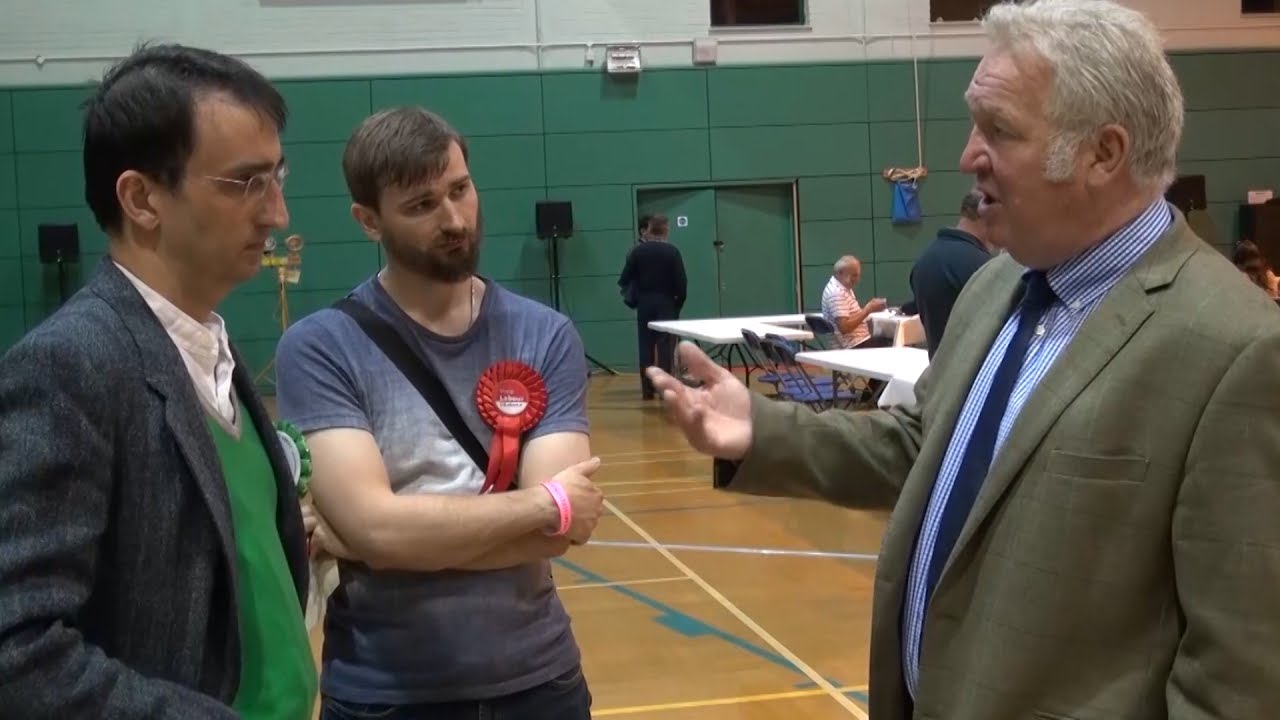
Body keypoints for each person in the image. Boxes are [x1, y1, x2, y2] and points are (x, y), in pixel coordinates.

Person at [646, 2, 1280, 718]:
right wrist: (762, 431)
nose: (967, 155)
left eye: (1000, 130)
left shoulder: (1240, 350)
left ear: (1105, 153)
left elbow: (1240, 682)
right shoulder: (997, 285)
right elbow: (925, 445)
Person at [0, 44, 317, 718]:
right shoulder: (70, 366)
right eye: (245, 183)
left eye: (278, 177)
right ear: (142, 198)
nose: (277, 213)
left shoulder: (209, 353)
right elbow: (18, 650)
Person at [274, 106, 604, 720]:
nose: (454, 219)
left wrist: (376, 541)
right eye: (422, 205)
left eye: (460, 189)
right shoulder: (320, 347)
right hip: (386, 693)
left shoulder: (546, 334)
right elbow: (383, 529)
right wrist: (540, 504)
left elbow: (559, 537)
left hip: (541, 684)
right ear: (367, 220)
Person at [908, 188, 995, 357]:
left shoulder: (924, 259)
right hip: (973, 370)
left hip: (938, 367)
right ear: (985, 215)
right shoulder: (982, 265)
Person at [618, 214, 687, 399]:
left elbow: (624, 279)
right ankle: (666, 388)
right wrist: (677, 304)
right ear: (665, 230)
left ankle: (647, 390)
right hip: (666, 303)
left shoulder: (637, 252)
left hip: (645, 303)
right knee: (666, 347)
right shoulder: (672, 252)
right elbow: (681, 283)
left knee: (645, 346)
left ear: (648, 229)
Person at [820, 255, 887, 348]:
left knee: (888, 339)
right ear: (840, 273)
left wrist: (869, 308)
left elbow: (848, 317)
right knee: (895, 343)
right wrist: (868, 309)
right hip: (853, 346)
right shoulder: (836, 293)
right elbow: (844, 327)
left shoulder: (842, 287)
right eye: (854, 275)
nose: (857, 280)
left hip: (857, 342)